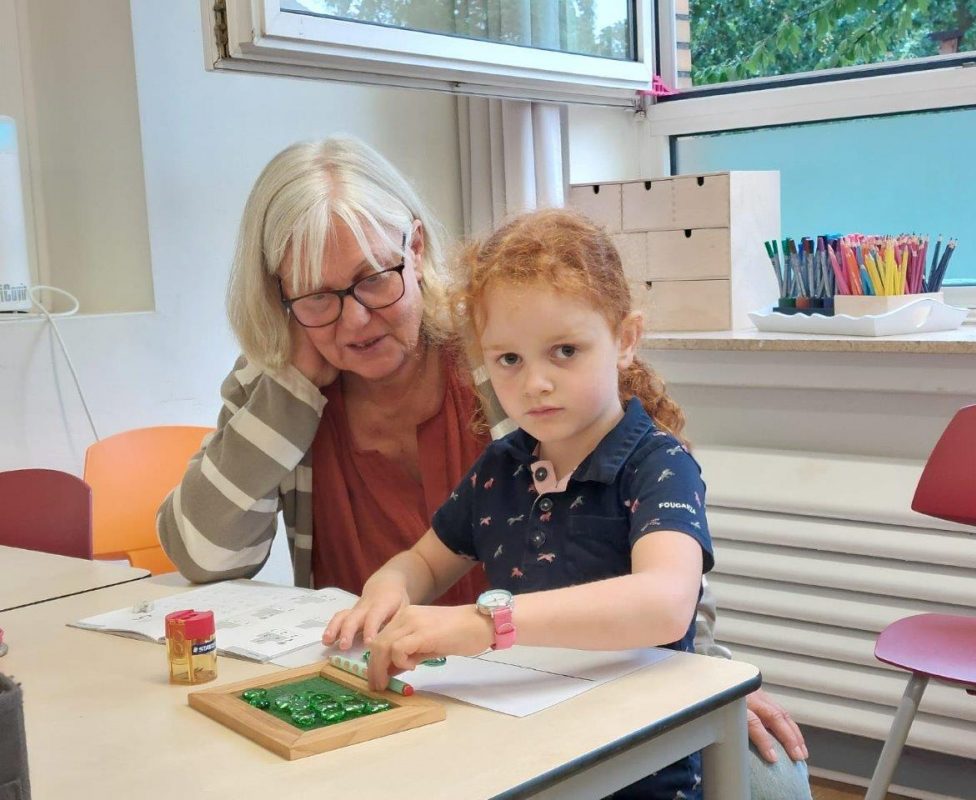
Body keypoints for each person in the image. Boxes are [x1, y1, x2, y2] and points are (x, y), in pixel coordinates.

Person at [157, 136, 810, 798]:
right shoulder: (293, 388)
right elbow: (212, 557)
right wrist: (294, 386)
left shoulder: (501, 347)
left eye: (373, 279)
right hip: (397, 687)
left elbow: (656, 582)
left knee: (771, 779)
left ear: (415, 249)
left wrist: (699, 674)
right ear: (280, 297)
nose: (354, 319)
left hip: (540, 680)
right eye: (318, 296)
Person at [324, 207, 713, 799]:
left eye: (565, 351)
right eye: (509, 359)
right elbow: (425, 561)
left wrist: (484, 624)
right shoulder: (499, 468)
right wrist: (388, 587)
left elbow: (664, 604)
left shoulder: (659, 466)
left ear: (625, 340)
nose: (535, 383)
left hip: (637, 769)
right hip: (522, 749)